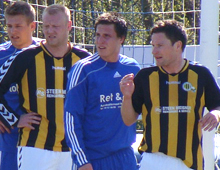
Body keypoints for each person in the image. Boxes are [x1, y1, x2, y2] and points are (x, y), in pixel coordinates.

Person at [120, 19, 220, 170]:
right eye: (153, 46)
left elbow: (217, 106)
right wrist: (126, 97)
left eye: (160, 46)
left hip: (188, 162)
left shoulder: (200, 74)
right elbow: (128, 120)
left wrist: (215, 114)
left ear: (178, 46)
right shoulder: (144, 77)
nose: (154, 51)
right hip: (152, 159)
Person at [0, 4, 90, 170]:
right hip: (29, 144)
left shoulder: (84, 59)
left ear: (69, 26)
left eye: (55, 26)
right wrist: (12, 118)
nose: (50, 31)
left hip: (71, 146)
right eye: (47, 26)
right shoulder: (24, 57)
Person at [64, 12, 140, 170]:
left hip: (125, 158)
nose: (100, 41)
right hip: (92, 160)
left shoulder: (132, 68)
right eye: (98, 35)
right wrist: (82, 161)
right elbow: (71, 118)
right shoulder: (83, 70)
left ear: (121, 39)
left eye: (106, 36)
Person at [0, 1, 41, 170]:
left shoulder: (45, 52)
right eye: (9, 26)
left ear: (32, 26)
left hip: (43, 139)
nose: (12, 31)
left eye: (18, 26)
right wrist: (15, 120)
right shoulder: (1, 54)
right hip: (10, 138)